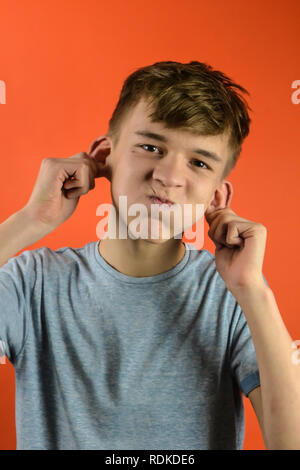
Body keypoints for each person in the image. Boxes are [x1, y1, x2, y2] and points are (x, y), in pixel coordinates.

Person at [0, 61, 299, 450]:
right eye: (150, 147)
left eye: (199, 162)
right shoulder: (31, 283)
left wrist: (253, 292)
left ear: (217, 197)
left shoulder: (232, 297)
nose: (169, 176)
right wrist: (28, 221)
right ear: (104, 156)